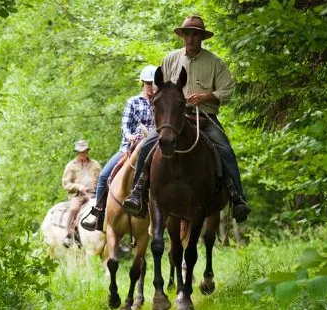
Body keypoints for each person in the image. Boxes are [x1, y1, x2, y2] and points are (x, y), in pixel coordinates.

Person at [122, 16, 251, 222]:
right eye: (187, 34)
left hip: (205, 117)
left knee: (225, 149)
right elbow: (158, 89)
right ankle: (137, 194)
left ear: (202, 37)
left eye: (195, 34)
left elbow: (227, 90)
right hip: (174, 118)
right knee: (146, 146)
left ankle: (237, 198)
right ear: (182, 36)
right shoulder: (170, 59)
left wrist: (206, 96)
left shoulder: (215, 62)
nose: (191, 38)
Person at [81, 65, 157, 231]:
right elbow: (125, 125)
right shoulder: (133, 102)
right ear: (143, 84)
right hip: (131, 147)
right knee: (104, 176)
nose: (151, 87)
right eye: (148, 83)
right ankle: (98, 213)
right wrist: (130, 136)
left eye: (154, 83)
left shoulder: (162, 102)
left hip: (155, 150)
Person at [61, 140, 102, 247]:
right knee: (74, 209)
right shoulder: (71, 166)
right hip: (78, 195)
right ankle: (69, 235)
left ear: (87, 151)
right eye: (80, 152)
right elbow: (66, 183)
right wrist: (79, 187)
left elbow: (102, 179)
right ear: (77, 153)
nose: (82, 154)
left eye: (84, 151)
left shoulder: (95, 164)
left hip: (94, 194)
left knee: (109, 208)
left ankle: (112, 235)